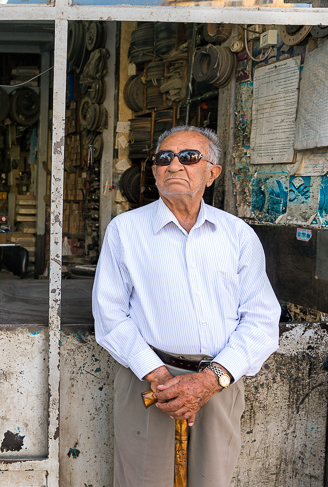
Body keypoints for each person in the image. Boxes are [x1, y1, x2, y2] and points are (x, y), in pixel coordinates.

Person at [92, 125, 280, 487]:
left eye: (189, 157)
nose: (174, 165)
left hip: (219, 383)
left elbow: (261, 319)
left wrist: (211, 379)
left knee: (212, 479)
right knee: (142, 481)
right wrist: (158, 374)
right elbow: (110, 315)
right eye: (164, 158)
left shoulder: (238, 235)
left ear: (212, 173)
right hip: (149, 382)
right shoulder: (125, 231)